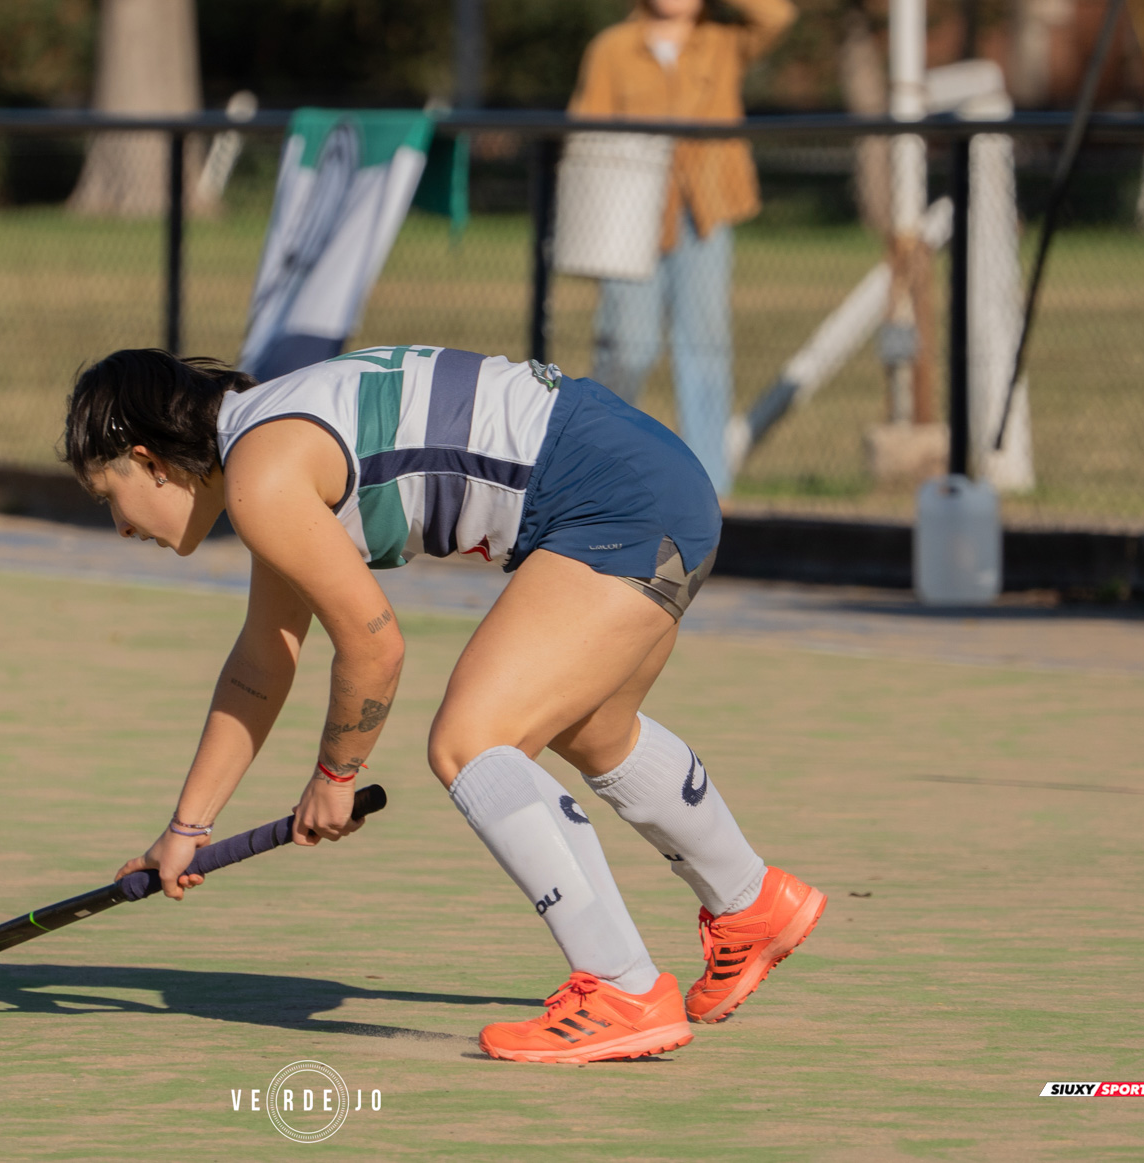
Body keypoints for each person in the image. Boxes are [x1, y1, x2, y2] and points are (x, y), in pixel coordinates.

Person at [64, 345, 825, 1063]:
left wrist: (336, 774)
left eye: (112, 499)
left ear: (148, 460)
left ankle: (623, 986)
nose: (123, 526)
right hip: (651, 477)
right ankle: (749, 900)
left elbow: (374, 645)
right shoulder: (267, 444)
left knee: (471, 739)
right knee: (595, 730)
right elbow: (264, 662)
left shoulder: (263, 475)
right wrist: (186, 829)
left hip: (613, 498)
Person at [570, 0, 796, 498]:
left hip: (706, 212)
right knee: (628, 346)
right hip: (630, 216)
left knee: (705, 350)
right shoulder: (612, 48)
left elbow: (777, 16)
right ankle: (592, 464)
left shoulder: (722, 37)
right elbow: (585, 133)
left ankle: (710, 487)